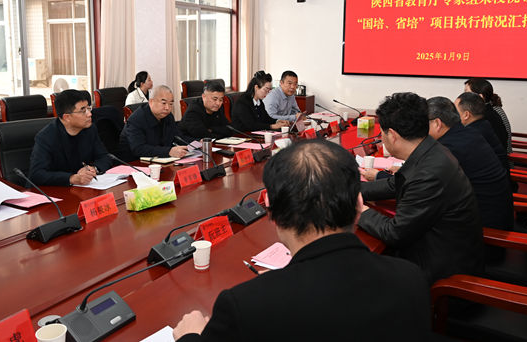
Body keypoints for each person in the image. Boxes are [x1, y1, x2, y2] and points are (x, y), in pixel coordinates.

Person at [172, 139, 431, 341]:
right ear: (359, 205)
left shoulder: (246, 305)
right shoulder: (410, 278)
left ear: (273, 214)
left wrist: (190, 336)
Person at [357, 92, 484, 284]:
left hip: (442, 274)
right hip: (436, 249)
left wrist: (360, 210)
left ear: (392, 135)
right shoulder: (430, 149)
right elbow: (395, 183)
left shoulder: (429, 173)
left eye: (381, 133)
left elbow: (395, 233)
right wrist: (352, 189)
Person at [427, 97, 513, 231]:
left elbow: (426, 186)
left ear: (437, 123)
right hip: (498, 214)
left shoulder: (449, 147)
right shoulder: (468, 132)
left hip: (485, 229)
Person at [29, 90, 112, 186]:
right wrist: (71, 178)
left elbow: (105, 157)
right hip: (54, 190)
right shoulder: (46, 137)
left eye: (89, 108)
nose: (89, 114)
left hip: (84, 188)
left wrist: (93, 169)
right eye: (83, 111)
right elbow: (37, 174)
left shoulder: (90, 129)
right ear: (67, 117)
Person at [119, 85, 189, 160]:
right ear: (151, 102)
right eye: (164, 103)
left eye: (171, 104)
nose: (167, 108)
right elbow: (138, 149)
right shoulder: (136, 119)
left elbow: (178, 137)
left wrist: (196, 143)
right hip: (134, 162)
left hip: (160, 160)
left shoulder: (168, 116)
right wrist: (169, 151)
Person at [455, 92, 508, 171]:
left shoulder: (471, 134)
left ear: (466, 115)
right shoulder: (484, 124)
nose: (452, 114)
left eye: (455, 111)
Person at [463, 78, 510, 155]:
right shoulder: (488, 110)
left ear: (480, 97)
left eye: (466, 93)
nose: (463, 97)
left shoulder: (484, 117)